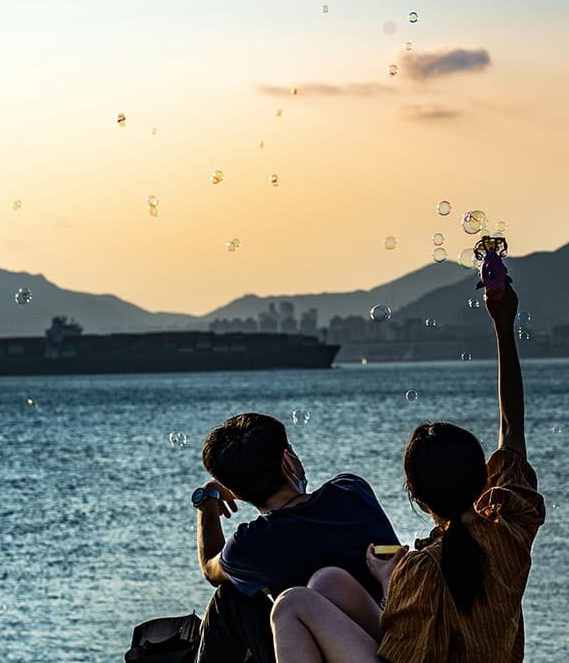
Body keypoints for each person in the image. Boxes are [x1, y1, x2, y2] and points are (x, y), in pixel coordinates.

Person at [270, 284, 545, 662]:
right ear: (484, 479)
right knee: (327, 582)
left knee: (291, 604)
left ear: (413, 491)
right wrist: (503, 323)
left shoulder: (421, 569)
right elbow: (512, 425)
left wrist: (389, 583)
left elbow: (398, 657)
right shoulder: (512, 529)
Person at [193, 412, 399, 663]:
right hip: (389, 635)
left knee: (230, 596)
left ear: (236, 493)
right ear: (288, 459)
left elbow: (209, 568)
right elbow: (307, 519)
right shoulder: (352, 490)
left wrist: (207, 502)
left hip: (321, 648)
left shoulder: (253, 544)